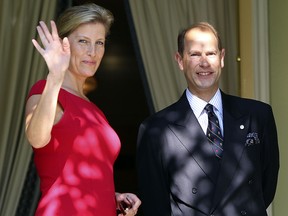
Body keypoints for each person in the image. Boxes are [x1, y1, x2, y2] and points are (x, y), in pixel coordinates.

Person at [136, 22, 279, 216]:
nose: (204, 63)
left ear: (221, 58)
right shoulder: (155, 129)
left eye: (211, 53)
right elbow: (155, 206)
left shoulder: (258, 115)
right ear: (180, 60)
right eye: (195, 54)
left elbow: (266, 186)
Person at [25, 3, 141, 216]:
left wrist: (114, 198)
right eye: (83, 41)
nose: (92, 52)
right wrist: (55, 76)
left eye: (99, 43)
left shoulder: (95, 110)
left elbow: (89, 177)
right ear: (62, 45)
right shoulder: (46, 90)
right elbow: (36, 138)